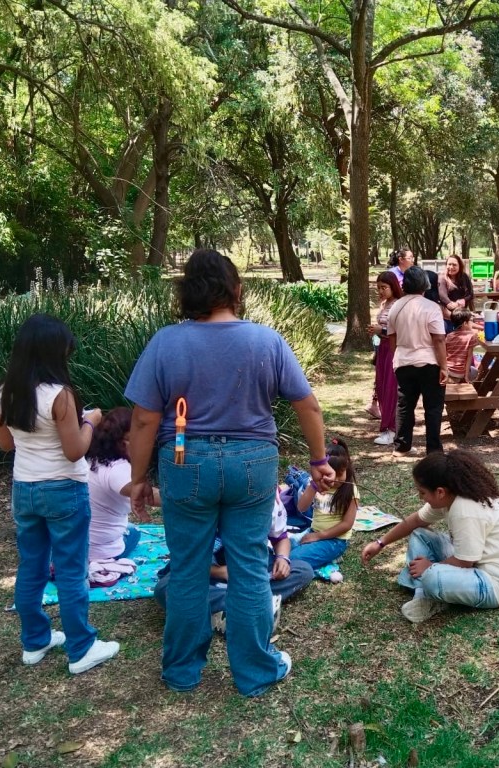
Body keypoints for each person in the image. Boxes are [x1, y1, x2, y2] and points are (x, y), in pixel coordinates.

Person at [124, 248, 335, 697]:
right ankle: (256, 672)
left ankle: (181, 672)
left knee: (186, 569)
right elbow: (308, 405)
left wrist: (139, 478)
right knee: (250, 567)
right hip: (253, 463)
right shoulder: (266, 340)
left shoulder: (165, 342)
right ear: (237, 291)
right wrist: (319, 461)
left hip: (185, 463)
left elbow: (143, 420)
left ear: (186, 294)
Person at [0, 314, 120, 674]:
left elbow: (5, 444)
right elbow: (75, 450)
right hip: (64, 490)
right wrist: (90, 421)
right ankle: (82, 649)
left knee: (31, 566)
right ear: (53, 352)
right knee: (71, 570)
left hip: (25, 489)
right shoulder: (60, 395)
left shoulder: (5, 394)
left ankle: (35, 641)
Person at [360, 450, 499, 623]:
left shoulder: (465, 509)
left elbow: (464, 562)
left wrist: (430, 567)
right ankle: (424, 593)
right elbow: (415, 521)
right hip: (475, 564)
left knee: (432, 576)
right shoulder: (451, 496)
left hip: (497, 584)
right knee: (420, 534)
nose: (420, 497)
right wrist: (380, 543)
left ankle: (430, 592)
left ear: (440, 492)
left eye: (422, 492)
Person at [154, 492, 315, 633]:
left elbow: (280, 538)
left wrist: (282, 558)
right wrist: (221, 572)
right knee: (166, 588)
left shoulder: (268, 499)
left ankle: (229, 605)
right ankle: (252, 603)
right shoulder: (200, 498)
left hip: (251, 566)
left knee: (303, 570)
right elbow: (186, 556)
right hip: (206, 569)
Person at [387, 266, 449, 457]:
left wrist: (397, 358)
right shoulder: (431, 307)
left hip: (403, 361)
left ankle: (402, 446)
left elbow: (391, 338)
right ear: (425, 284)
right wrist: (444, 367)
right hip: (429, 362)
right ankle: (433, 449)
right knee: (433, 407)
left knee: (405, 405)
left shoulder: (395, 307)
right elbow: (439, 339)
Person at [86, 407, 160, 562]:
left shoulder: (92, 459)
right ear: (121, 442)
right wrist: (191, 499)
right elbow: (150, 495)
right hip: (101, 553)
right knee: (134, 532)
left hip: (79, 546)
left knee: (130, 527)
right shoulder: (118, 469)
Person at [289, 438, 359, 570]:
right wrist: (313, 487)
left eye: (340, 474)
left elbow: (347, 524)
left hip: (335, 541)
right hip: (313, 531)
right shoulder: (317, 485)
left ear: (347, 468)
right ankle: (323, 557)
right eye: (329, 474)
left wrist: (318, 536)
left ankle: (329, 557)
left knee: (293, 560)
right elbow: (301, 508)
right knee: (282, 550)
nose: (335, 479)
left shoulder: (351, 491)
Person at [368, 271, 401, 446]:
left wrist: (381, 330)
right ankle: (386, 426)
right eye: (378, 288)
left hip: (394, 349)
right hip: (382, 348)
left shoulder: (398, 305)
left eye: (384, 287)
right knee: (381, 387)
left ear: (393, 287)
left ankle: (391, 429)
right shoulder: (384, 304)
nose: (380, 291)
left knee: (390, 389)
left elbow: (400, 331)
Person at [438, 254, 475, 327]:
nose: (451, 267)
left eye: (454, 265)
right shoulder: (442, 278)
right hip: (448, 315)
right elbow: (442, 295)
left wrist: (462, 301)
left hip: (462, 314)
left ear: (460, 266)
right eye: (449, 264)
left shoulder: (464, 277)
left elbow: (471, 294)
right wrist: (450, 304)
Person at [445, 310, 479, 382]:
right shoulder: (471, 336)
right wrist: (466, 376)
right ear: (465, 323)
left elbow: (445, 354)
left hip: (448, 370)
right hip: (460, 373)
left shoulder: (449, 336)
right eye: (470, 321)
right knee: (475, 371)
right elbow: (469, 357)